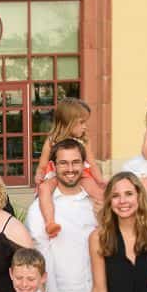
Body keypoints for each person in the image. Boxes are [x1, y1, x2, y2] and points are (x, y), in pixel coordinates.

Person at [27, 139, 101, 292]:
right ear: (53, 166)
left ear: (84, 165)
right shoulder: (38, 210)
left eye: (75, 162)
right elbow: (39, 256)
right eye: (63, 163)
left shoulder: (96, 204)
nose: (70, 169)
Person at [28, 100, 103, 240]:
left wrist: (100, 180)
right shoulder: (52, 141)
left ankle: (103, 221)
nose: (85, 127)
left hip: (83, 174)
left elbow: (92, 164)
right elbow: (43, 165)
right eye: (81, 122)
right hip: (55, 174)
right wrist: (39, 175)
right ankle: (50, 223)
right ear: (68, 122)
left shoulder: (84, 141)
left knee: (98, 192)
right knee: (44, 189)